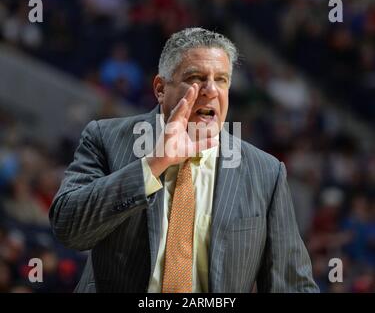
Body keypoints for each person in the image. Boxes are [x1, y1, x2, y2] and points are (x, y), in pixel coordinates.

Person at [49, 27, 319, 293]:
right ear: (160, 88)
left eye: (221, 79)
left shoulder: (266, 173)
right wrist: (153, 164)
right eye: (195, 77)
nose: (210, 90)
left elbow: (292, 284)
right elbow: (69, 229)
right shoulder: (106, 138)